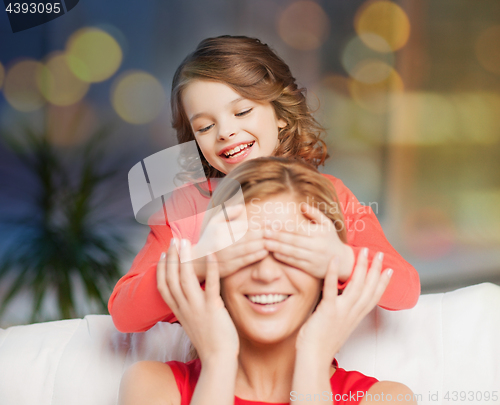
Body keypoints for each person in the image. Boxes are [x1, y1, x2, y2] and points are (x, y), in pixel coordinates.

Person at [108, 35, 420, 333]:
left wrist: (339, 259)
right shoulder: (184, 208)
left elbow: (406, 289)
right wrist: (200, 264)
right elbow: (124, 313)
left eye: (242, 111)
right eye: (205, 126)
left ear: (281, 114)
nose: (225, 131)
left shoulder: (328, 194)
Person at [118, 157, 416, 405]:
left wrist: (313, 359)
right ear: (215, 272)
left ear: (329, 273)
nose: (266, 274)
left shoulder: (386, 398)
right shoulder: (152, 387)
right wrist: (218, 361)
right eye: (246, 253)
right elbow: (126, 307)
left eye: (291, 253)